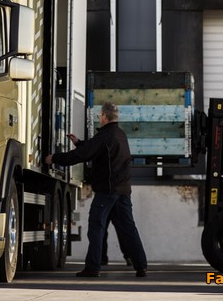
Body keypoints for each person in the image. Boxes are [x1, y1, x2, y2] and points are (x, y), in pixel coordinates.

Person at [45, 101, 147, 277]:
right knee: (129, 228)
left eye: (100, 115)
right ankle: (141, 266)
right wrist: (79, 142)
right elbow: (94, 149)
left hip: (107, 191)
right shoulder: (120, 134)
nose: (99, 117)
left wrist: (55, 158)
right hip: (123, 191)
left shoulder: (105, 135)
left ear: (105, 117)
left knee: (96, 227)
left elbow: (82, 155)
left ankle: (93, 267)